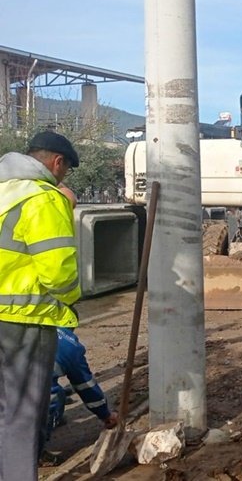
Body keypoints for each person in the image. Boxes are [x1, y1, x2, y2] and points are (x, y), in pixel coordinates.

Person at [0, 131, 82, 480]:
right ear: (56, 162)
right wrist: (73, 299)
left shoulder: (5, 191)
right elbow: (58, 271)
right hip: (24, 318)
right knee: (22, 413)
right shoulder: (43, 198)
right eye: (64, 171)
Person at [44, 326, 119, 448]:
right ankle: (37, 452)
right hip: (27, 401)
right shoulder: (71, 347)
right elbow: (86, 386)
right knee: (50, 400)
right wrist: (105, 414)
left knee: (60, 394)